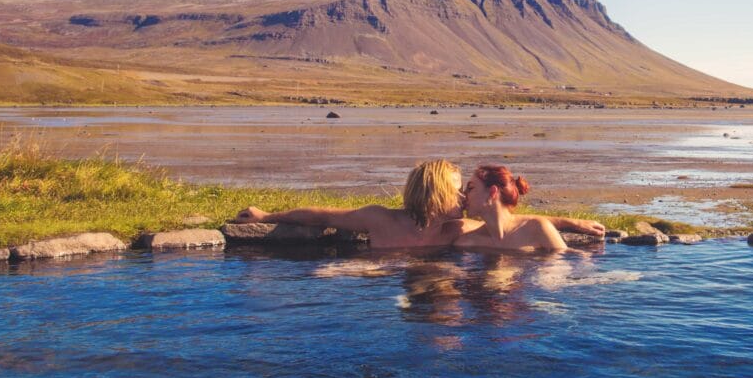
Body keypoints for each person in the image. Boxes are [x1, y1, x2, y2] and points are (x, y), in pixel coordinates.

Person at [235, 159, 602, 249]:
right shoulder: (379, 220)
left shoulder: (457, 229)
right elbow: (321, 215)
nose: (462, 198)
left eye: (465, 191)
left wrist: (568, 221)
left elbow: (511, 222)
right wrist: (267, 216)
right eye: (457, 191)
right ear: (434, 194)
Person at [454, 165, 567, 252]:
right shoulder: (466, 242)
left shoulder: (537, 228)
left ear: (492, 192)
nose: (464, 195)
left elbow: (565, 265)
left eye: (470, 188)